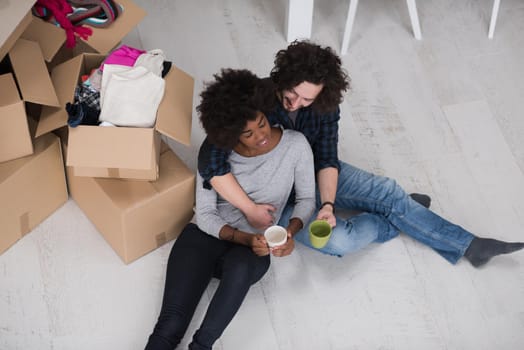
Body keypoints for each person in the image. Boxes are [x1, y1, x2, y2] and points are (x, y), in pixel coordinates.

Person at [198, 40, 524, 268]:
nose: (295, 104)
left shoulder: (324, 109)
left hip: (309, 170)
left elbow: (326, 157)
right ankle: (392, 220)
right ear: (283, 78)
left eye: (306, 100)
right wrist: (250, 209)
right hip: (273, 196)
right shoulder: (254, 97)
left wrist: (326, 205)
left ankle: (470, 246)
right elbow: (209, 160)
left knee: (387, 191)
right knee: (340, 241)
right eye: (292, 93)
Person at [145, 69, 315, 350]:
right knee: (169, 327)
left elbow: (307, 198)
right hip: (205, 239)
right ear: (230, 134)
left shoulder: (295, 146)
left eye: (261, 123)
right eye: (247, 134)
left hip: (250, 255)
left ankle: (202, 345)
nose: (260, 136)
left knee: (240, 266)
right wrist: (244, 236)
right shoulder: (215, 155)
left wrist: (290, 232)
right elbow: (206, 215)